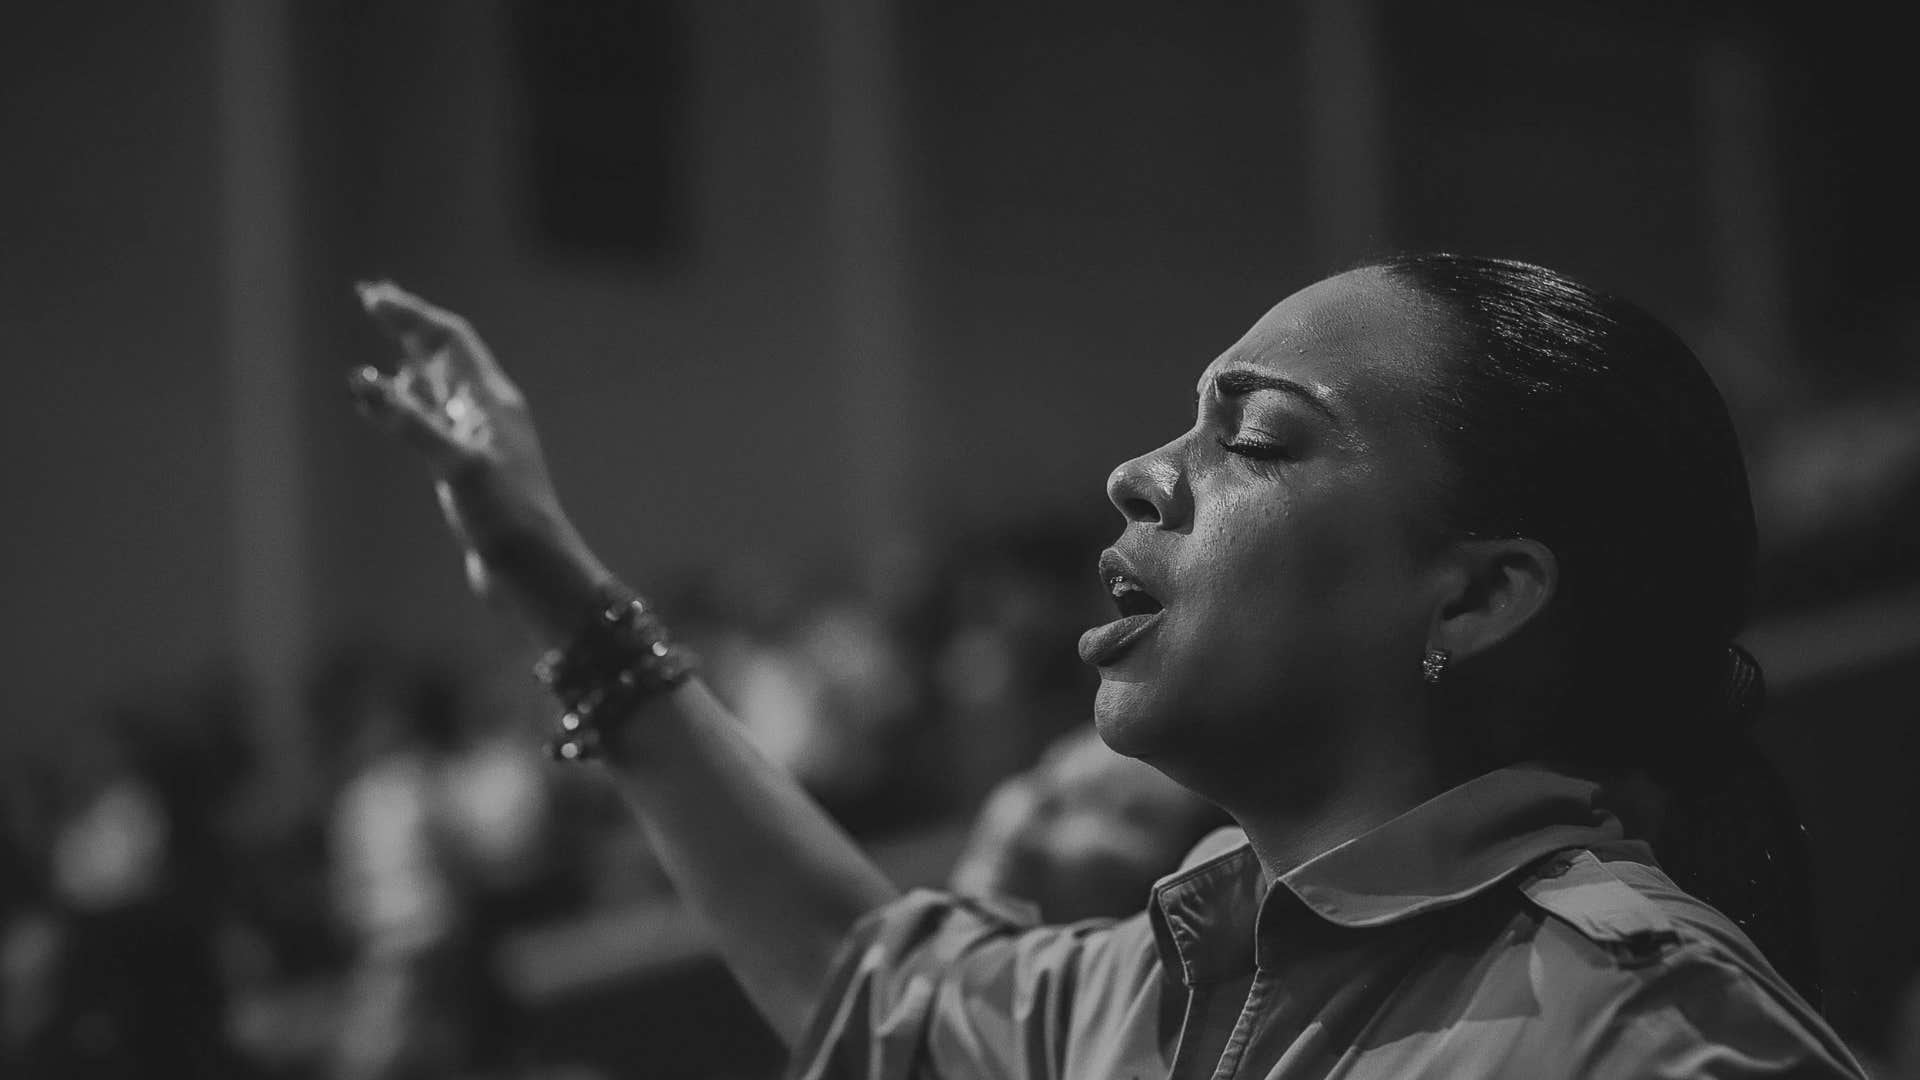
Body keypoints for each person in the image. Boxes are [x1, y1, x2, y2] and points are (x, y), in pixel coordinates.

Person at [347, 254, 1868, 1078]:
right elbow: (857, 975)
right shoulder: (1140, 996)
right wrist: (557, 589)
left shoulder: (1640, 1034)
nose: (1142, 472)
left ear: (1473, 600)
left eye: (1257, 434)